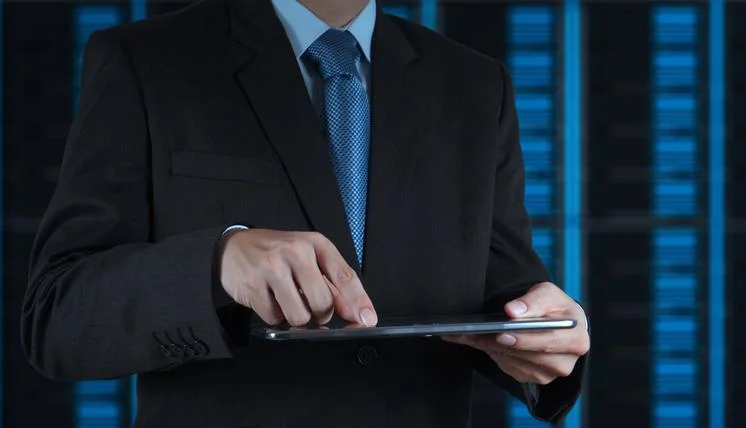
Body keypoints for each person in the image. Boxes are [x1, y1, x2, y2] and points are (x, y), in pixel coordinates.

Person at [20, 0, 590, 426]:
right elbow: (57, 317)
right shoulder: (146, 62)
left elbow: (508, 294)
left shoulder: (474, 85)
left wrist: (548, 336)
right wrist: (216, 262)